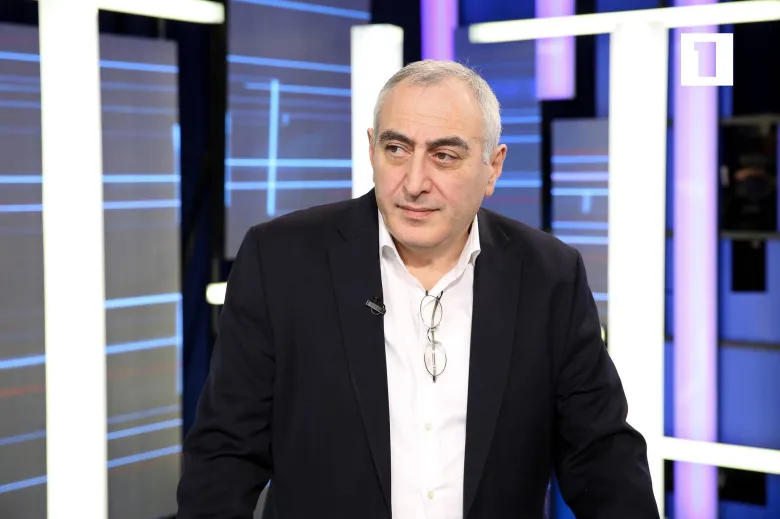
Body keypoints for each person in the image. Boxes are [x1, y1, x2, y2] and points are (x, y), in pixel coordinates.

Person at [176, 60, 660, 519]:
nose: (413, 183)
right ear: (371, 149)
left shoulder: (549, 275)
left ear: (493, 168)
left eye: (444, 156)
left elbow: (601, 457)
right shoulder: (281, 260)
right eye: (397, 149)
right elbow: (225, 453)